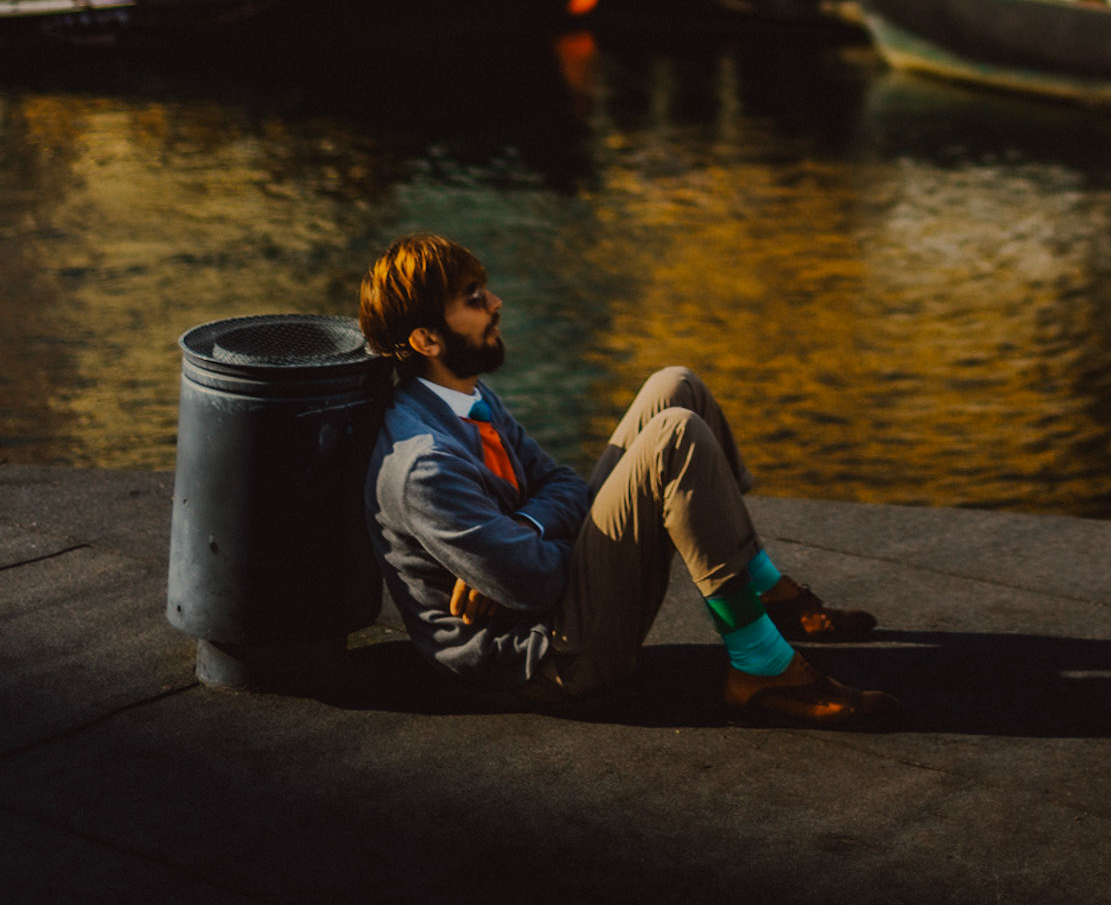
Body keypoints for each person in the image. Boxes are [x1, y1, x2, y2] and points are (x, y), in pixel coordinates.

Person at [359, 236, 897, 727]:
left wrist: (522, 527)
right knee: (674, 436)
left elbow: (562, 483)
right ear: (428, 339)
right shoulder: (423, 467)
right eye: (473, 298)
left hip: (549, 601)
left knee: (675, 387)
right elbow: (538, 585)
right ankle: (761, 665)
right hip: (549, 659)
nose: (495, 303)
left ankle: (767, 589)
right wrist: (526, 553)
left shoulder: (465, 398)